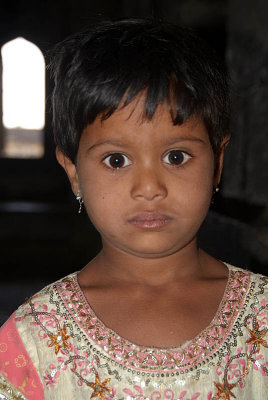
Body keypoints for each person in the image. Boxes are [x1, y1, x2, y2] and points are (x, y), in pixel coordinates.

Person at [0, 18, 267, 400]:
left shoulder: (262, 317)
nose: (149, 188)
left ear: (218, 163)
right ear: (74, 173)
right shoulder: (34, 340)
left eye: (176, 156)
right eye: (116, 160)